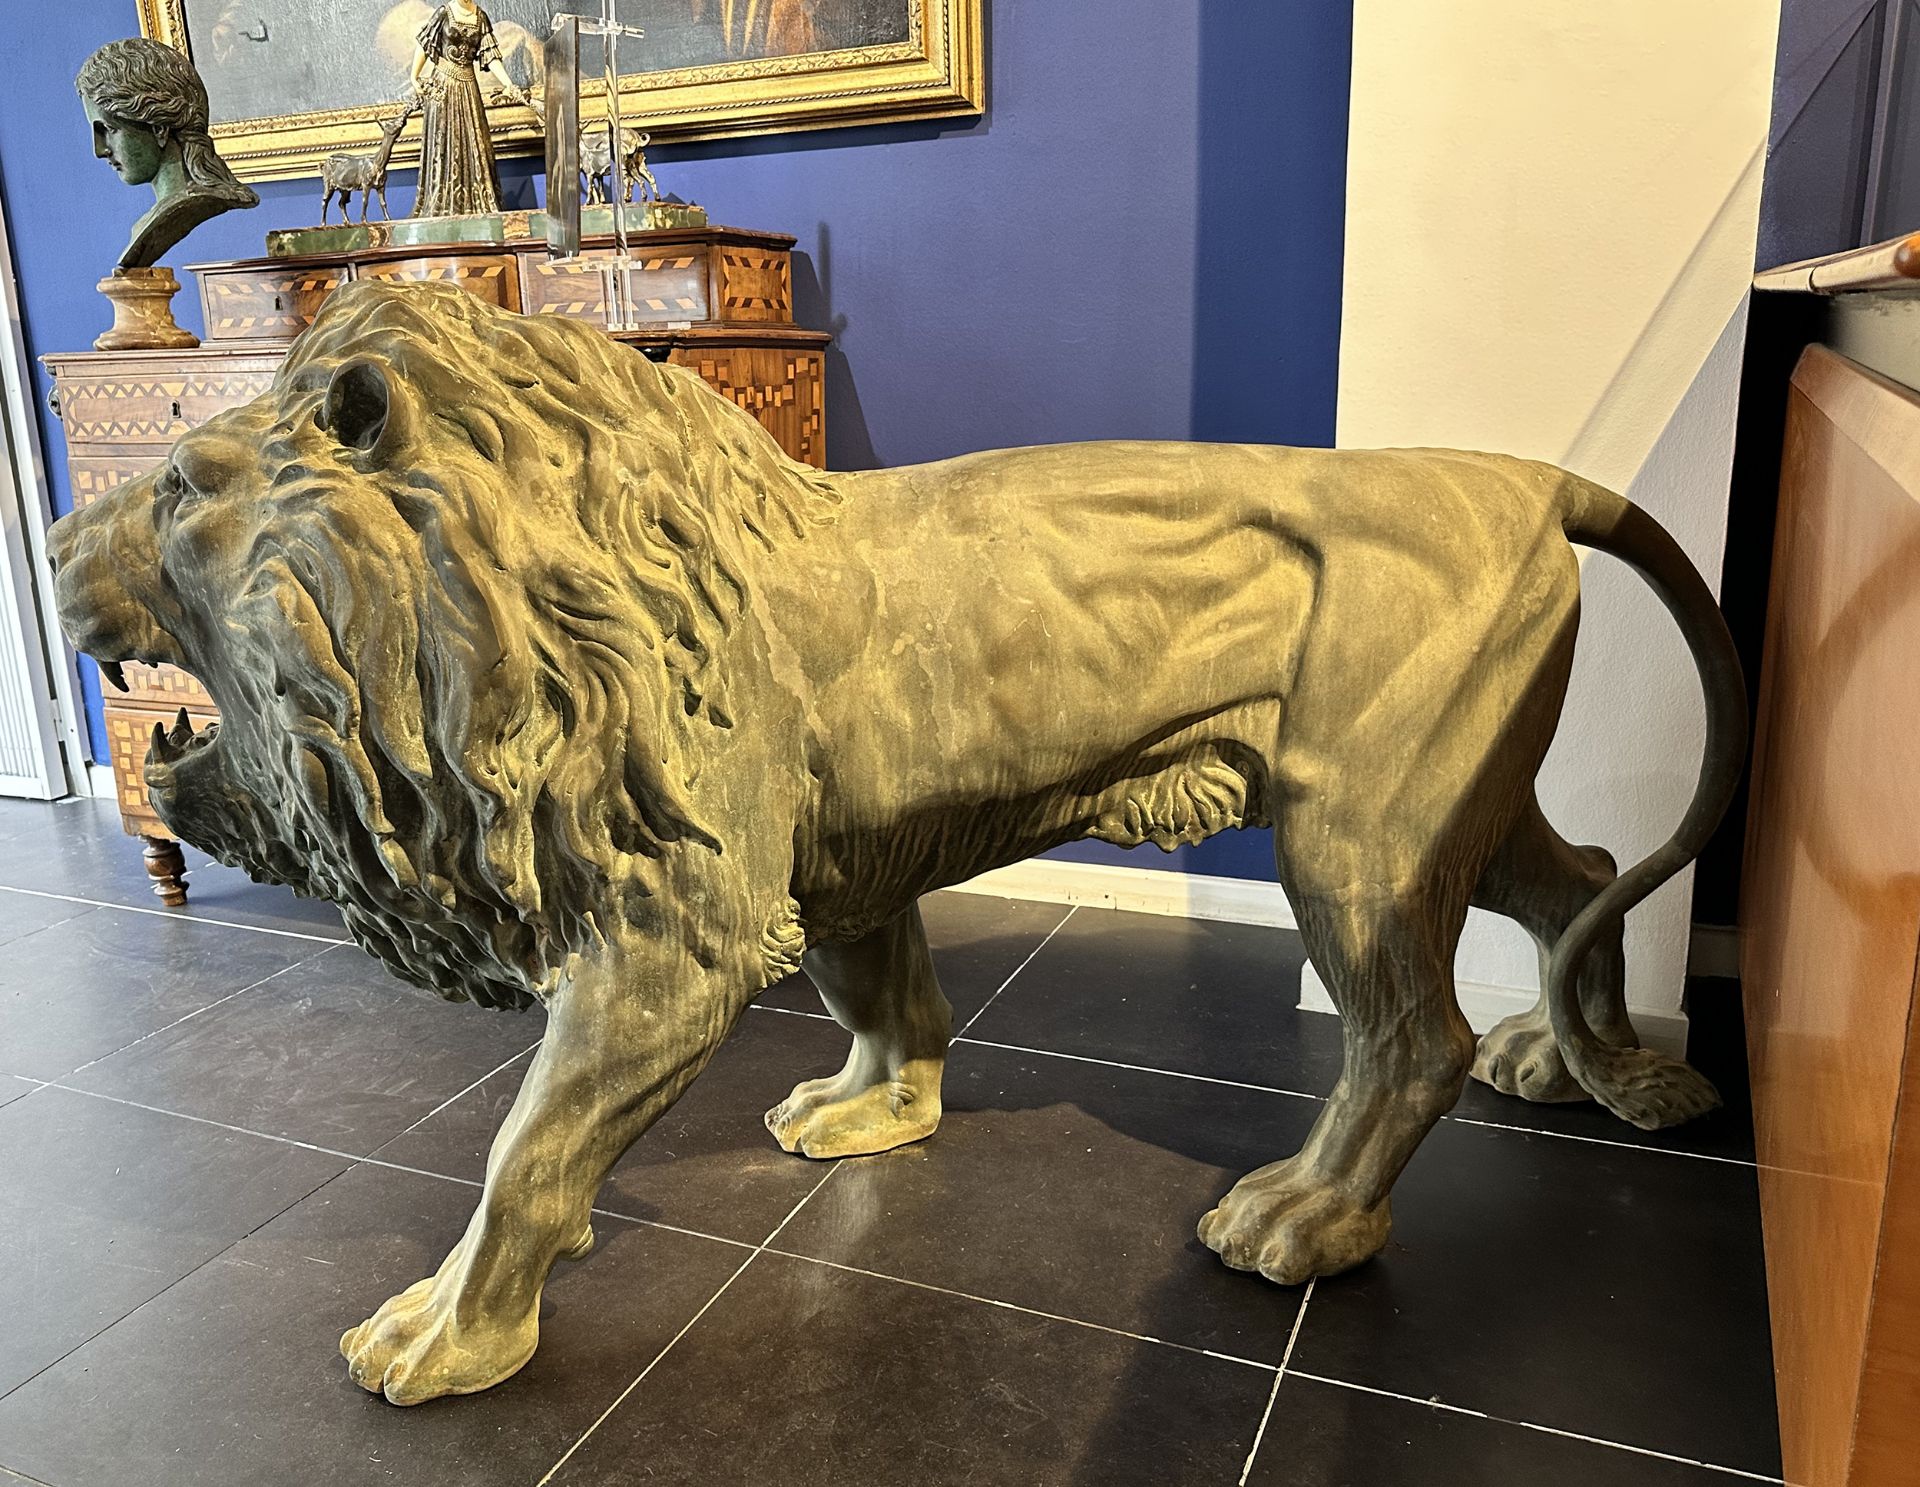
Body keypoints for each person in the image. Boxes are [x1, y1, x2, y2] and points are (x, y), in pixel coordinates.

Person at [75, 37, 259, 269]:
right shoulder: (143, 226)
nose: (99, 150)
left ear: (160, 128)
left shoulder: (190, 206)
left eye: (110, 129)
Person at [410, 0, 534, 218]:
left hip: (468, 88)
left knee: (473, 141)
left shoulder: (480, 18)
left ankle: (474, 207)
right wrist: (414, 76)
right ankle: (443, 207)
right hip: (443, 88)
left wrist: (508, 83)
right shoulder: (444, 13)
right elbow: (424, 44)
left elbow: (491, 56)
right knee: (444, 144)